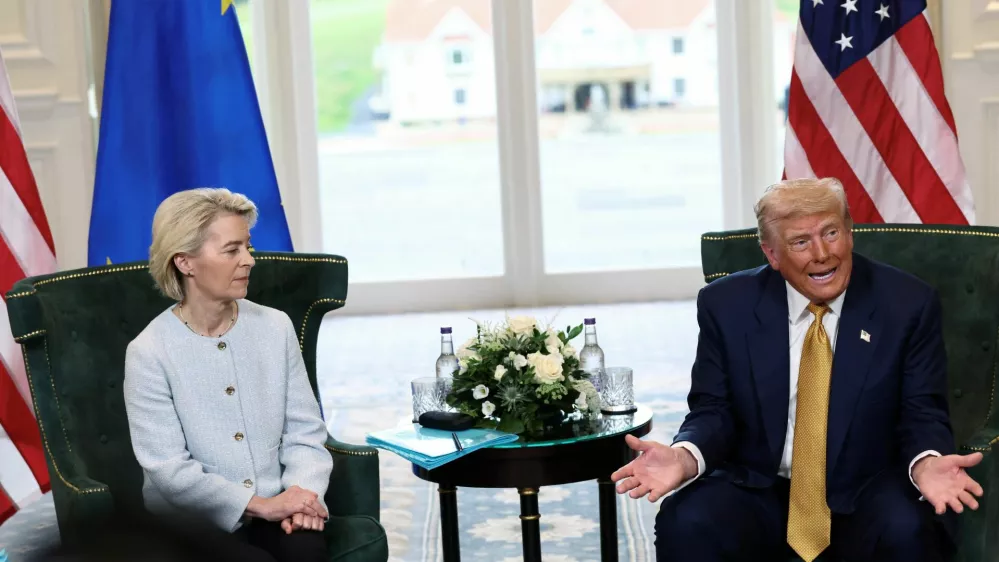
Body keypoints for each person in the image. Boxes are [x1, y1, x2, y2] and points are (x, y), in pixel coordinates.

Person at [611, 178, 984, 562]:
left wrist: (926, 462)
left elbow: (922, 411)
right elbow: (713, 410)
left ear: (850, 232)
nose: (822, 253)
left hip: (866, 489)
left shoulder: (906, 304)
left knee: (910, 526)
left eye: (832, 233)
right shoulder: (726, 305)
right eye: (800, 242)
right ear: (771, 254)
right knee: (686, 521)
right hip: (761, 486)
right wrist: (685, 456)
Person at [123, 188, 333, 562]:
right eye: (232, 250)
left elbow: (305, 431)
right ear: (185, 262)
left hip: (280, 501)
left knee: (307, 552)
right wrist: (260, 506)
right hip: (192, 525)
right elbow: (169, 470)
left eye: (247, 247)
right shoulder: (148, 351)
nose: (249, 260)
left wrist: (303, 497)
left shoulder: (275, 326)